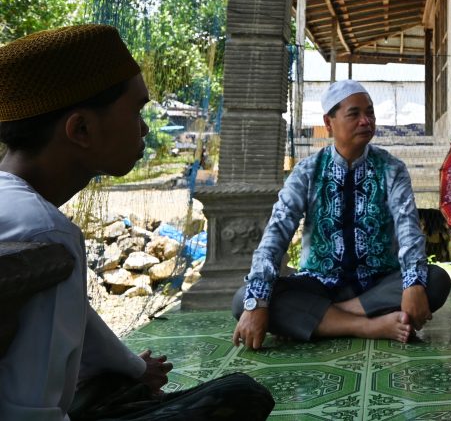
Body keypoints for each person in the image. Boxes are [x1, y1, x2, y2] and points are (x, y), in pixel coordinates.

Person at [0, 24, 274, 420]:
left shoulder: (19, 207)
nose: (144, 128)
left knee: (121, 380)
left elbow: (79, 318)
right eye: (136, 110)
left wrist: (132, 367)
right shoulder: (46, 232)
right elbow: (30, 411)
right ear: (81, 129)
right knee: (241, 395)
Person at [232, 79, 451, 350]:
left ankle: (322, 317)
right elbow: (277, 231)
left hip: (379, 281)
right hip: (320, 282)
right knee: (245, 299)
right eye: (354, 114)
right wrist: (258, 302)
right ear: (328, 122)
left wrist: (413, 284)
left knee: (436, 281)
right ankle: (368, 326)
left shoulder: (391, 169)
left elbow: (408, 229)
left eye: (369, 112)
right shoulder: (308, 172)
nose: (366, 121)